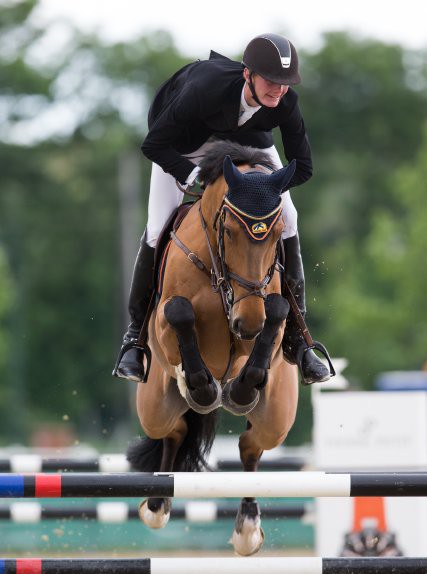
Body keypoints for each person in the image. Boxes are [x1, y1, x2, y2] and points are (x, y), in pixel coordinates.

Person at [114, 33, 331, 385]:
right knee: (156, 228)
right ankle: (135, 340)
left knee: (289, 218)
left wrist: (262, 189)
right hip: (183, 149)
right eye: (271, 82)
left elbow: (303, 168)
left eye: (285, 84)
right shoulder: (204, 87)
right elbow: (153, 143)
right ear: (248, 74)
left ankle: (298, 339)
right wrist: (191, 173)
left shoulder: (286, 103)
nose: (278, 91)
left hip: (247, 147)